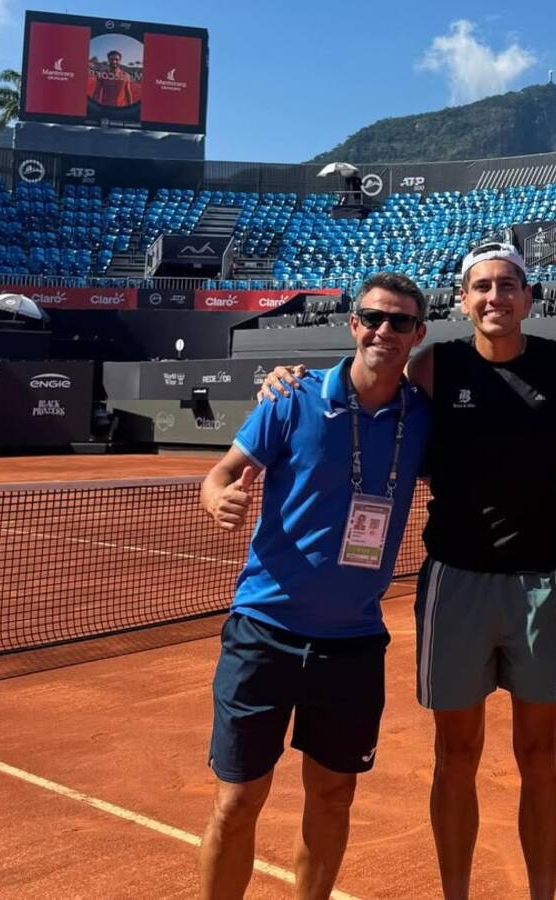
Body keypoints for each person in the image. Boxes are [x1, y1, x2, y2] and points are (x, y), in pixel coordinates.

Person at [258, 245, 556, 899]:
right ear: (464, 299)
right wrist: (288, 377)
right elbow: (365, 385)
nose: (495, 297)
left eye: (508, 285)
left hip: (543, 581)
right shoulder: (432, 365)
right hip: (456, 581)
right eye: (482, 286)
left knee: (539, 758)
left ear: (528, 298)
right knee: (456, 756)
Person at [197, 272, 431, 900]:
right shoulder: (291, 397)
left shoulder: (423, 420)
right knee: (239, 799)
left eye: (401, 322)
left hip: (352, 644)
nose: (385, 330)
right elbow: (221, 474)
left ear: (418, 335)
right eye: (374, 318)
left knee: (333, 798)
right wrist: (219, 499)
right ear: (354, 324)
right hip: (263, 633)